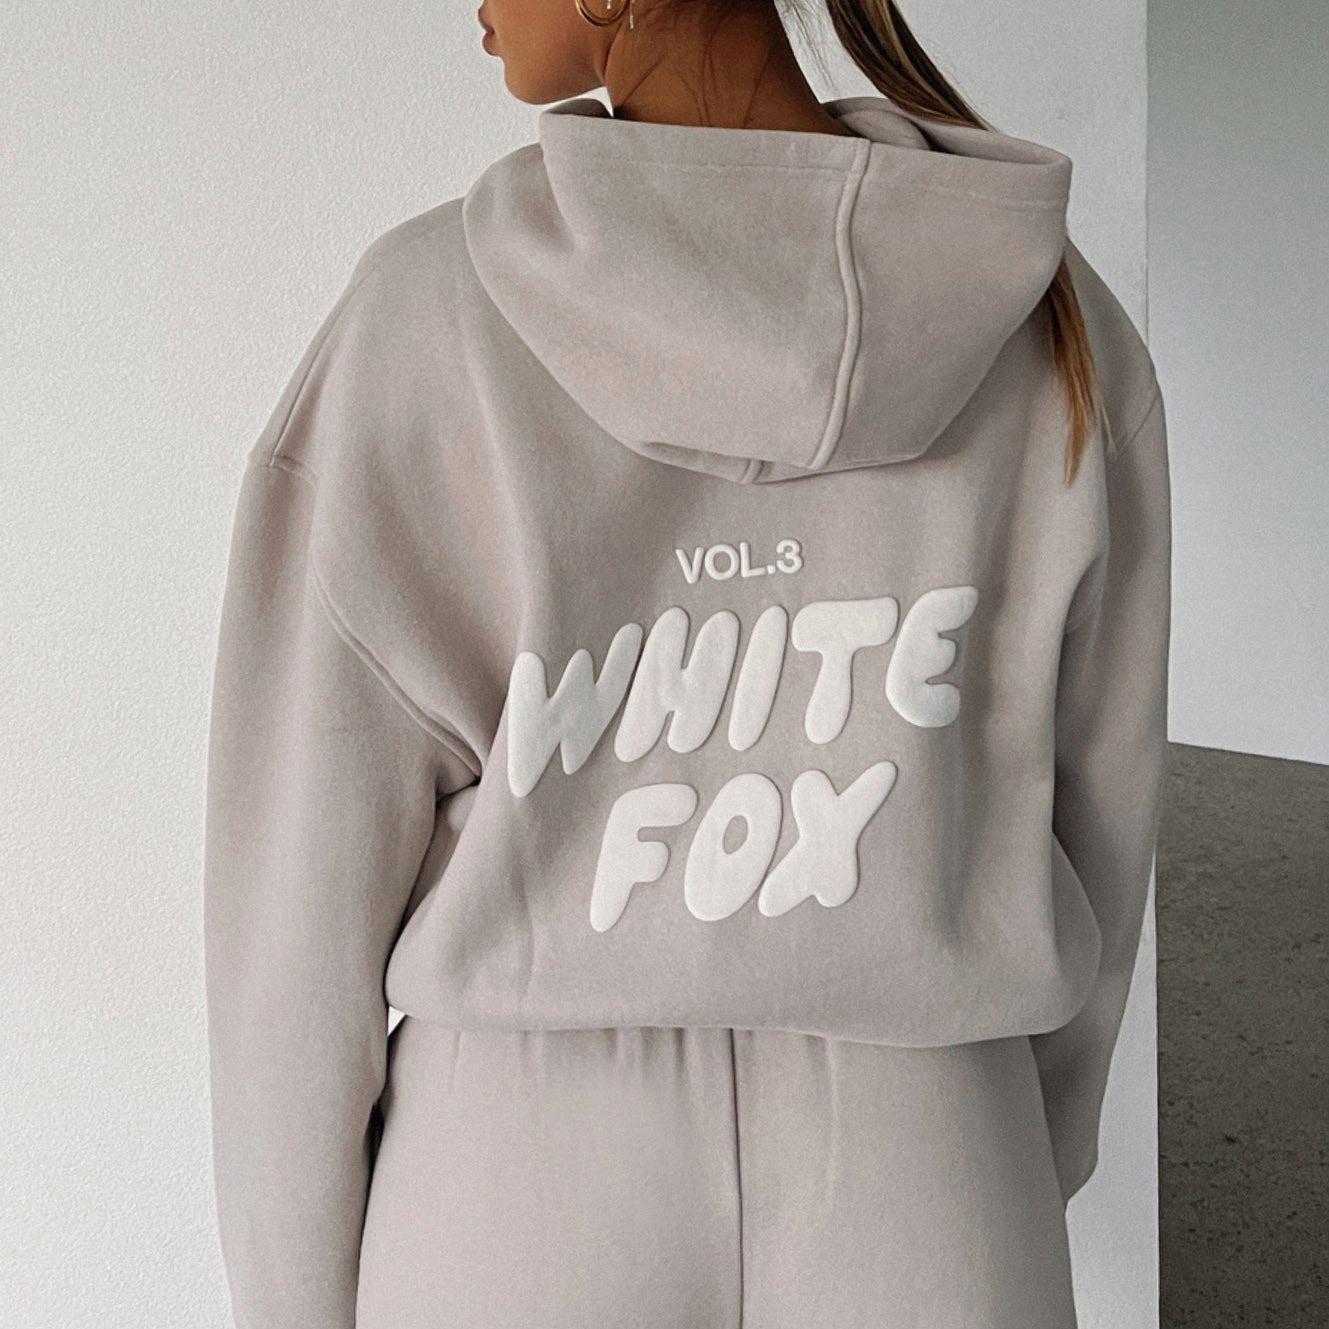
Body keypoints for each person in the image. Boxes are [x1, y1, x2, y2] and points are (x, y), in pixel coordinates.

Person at [202, 0, 1171, 1325]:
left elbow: (298, 900)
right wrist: (999, 1148)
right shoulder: (1048, 317)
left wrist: (292, 1290)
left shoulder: (419, 322)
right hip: (932, 1166)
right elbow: (1101, 822)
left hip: (517, 1188)